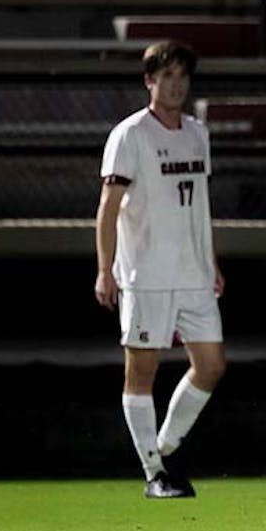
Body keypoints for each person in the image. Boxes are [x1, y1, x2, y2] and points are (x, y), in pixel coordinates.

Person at [95, 41, 226, 499]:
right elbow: (108, 208)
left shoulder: (196, 132)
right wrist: (105, 270)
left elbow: (199, 206)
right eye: (166, 76)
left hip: (192, 273)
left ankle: (163, 449)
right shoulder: (130, 135)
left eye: (182, 77)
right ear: (149, 80)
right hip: (146, 274)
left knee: (210, 365)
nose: (175, 85)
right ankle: (153, 472)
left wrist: (211, 260)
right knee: (142, 373)